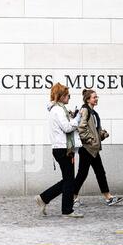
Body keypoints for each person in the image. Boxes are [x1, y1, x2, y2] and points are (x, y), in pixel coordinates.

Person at [35, 83, 84, 218]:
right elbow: (67, 128)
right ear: (61, 96)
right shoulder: (58, 110)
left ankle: (44, 198)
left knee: (68, 180)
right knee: (69, 180)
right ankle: (66, 210)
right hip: (63, 149)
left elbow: (66, 126)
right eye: (68, 95)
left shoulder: (58, 109)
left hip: (61, 148)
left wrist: (72, 117)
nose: (69, 97)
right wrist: (78, 118)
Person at [73, 89, 123, 207]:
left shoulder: (94, 113)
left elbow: (94, 129)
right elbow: (81, 128)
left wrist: (102, 134)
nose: (96, 99)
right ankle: (73, 196)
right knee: (82, 174)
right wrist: (90, 140)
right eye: (94, 97)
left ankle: (108, 197)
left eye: (96, 97)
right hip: (87, 148)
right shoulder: (85, 110)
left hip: (93, 148)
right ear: (87, 99)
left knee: (100, 172)